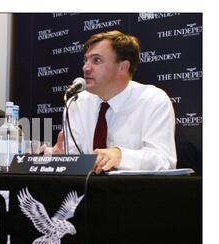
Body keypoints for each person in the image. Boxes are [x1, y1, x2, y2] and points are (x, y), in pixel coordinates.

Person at [42, 30, 176, 174]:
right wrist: (60, 157)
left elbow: (164, 161)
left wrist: (121, 156)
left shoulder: (153, 100)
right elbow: (74, 160)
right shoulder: (76, 103)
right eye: (85, 60)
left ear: (123, 67)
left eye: (96, 60)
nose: (85, 67)